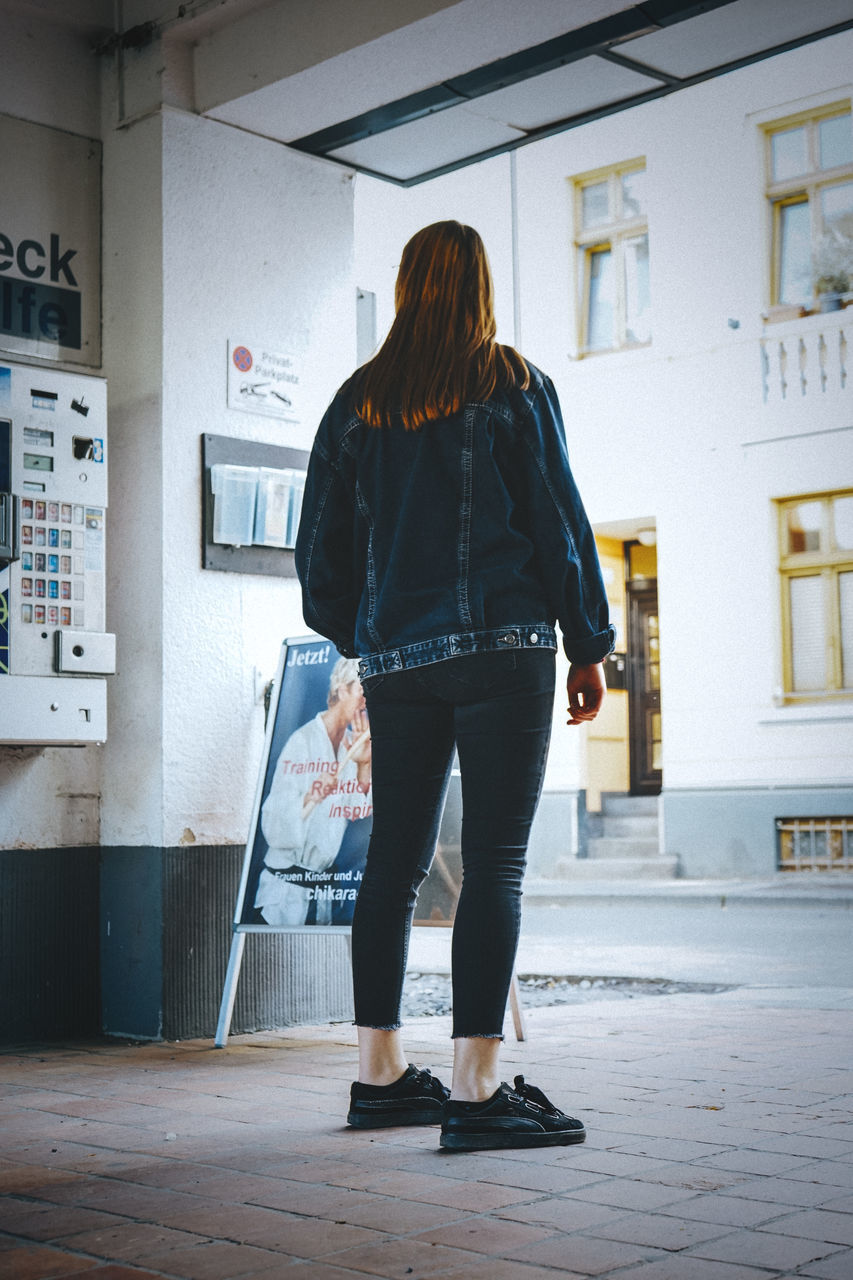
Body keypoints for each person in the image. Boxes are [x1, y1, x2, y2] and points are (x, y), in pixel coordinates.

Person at [295, 221, 614, 1151]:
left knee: (390, 864)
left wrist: (373, 635)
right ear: (478, 287)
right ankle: (476, 1092)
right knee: (495, 860)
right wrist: (587, 644)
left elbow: (316, 560)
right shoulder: (510, 383)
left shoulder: (359, 404)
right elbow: (559, 522)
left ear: (403, 289)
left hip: (397, 664)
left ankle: (380, 1076)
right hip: (504, 649)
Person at [254, 657, 372, 926]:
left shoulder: (349, 745)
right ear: (342, 690)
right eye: (362, 692)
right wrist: (310, 796)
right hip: (282, 898)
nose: (366, 702)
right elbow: (272, 823)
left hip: (320, 893)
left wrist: (364, 765)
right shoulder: (301, 742)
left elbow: (357, 808)